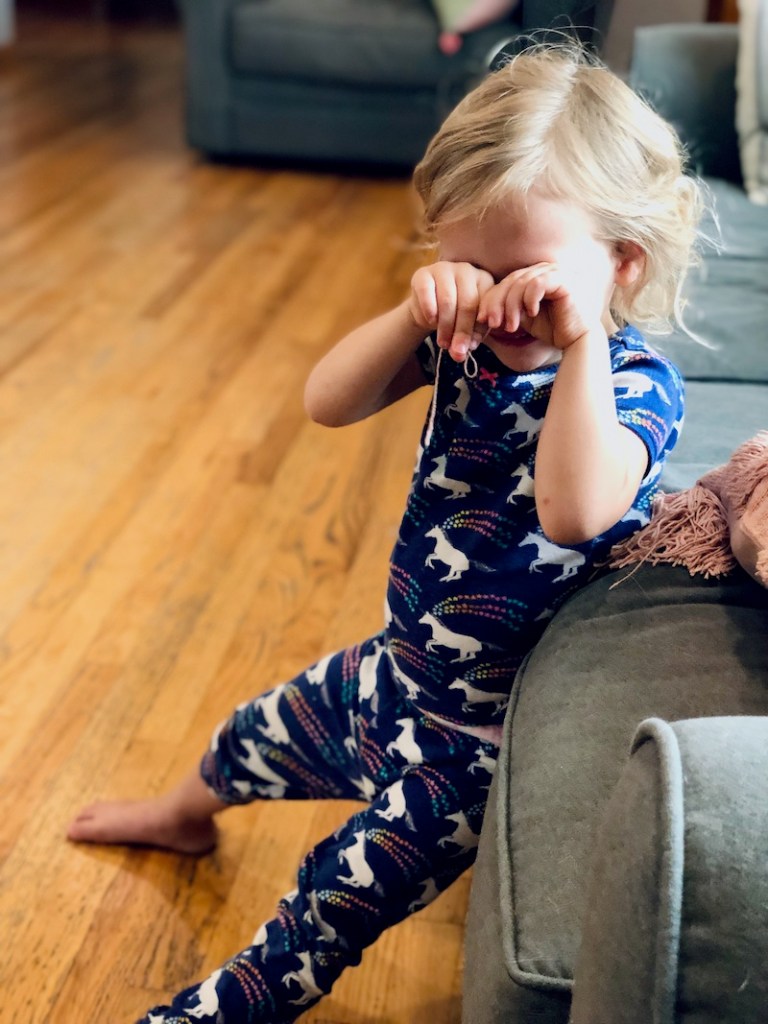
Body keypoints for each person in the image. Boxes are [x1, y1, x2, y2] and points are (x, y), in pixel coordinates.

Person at [67, 42, 701, 1024]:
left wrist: (577, 341)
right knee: (251, 732)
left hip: (472, 750)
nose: (497, 300)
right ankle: (185, 816)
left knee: (325, 905)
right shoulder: (462, 342)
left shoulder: (635, 389)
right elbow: (326, 402)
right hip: (396, 670)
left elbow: (573, 509)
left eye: (529, 272)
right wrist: (413, 315)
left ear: (621, 263)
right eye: (468, 265)